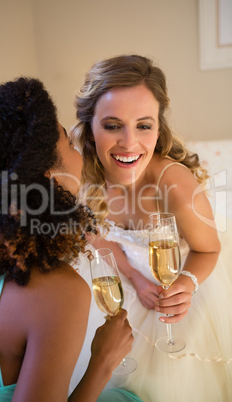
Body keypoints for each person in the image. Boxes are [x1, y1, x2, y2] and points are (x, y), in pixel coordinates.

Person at [0, 77, 143, 402]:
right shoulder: (60, 292)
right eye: (70, 145)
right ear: (48, 176)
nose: (81, 153)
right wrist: (103, 361)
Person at [70, 55, 232, 401]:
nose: (129, 143)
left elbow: (209, 249)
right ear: (89, 127)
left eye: (143, 125)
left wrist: (186, 285)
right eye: (112, 126)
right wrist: (135, 276)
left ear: (159, 127)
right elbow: (96, 236)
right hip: (128, 281)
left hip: (184, 281)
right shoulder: (82, 174)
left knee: (163, 383)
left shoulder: (174, 183)